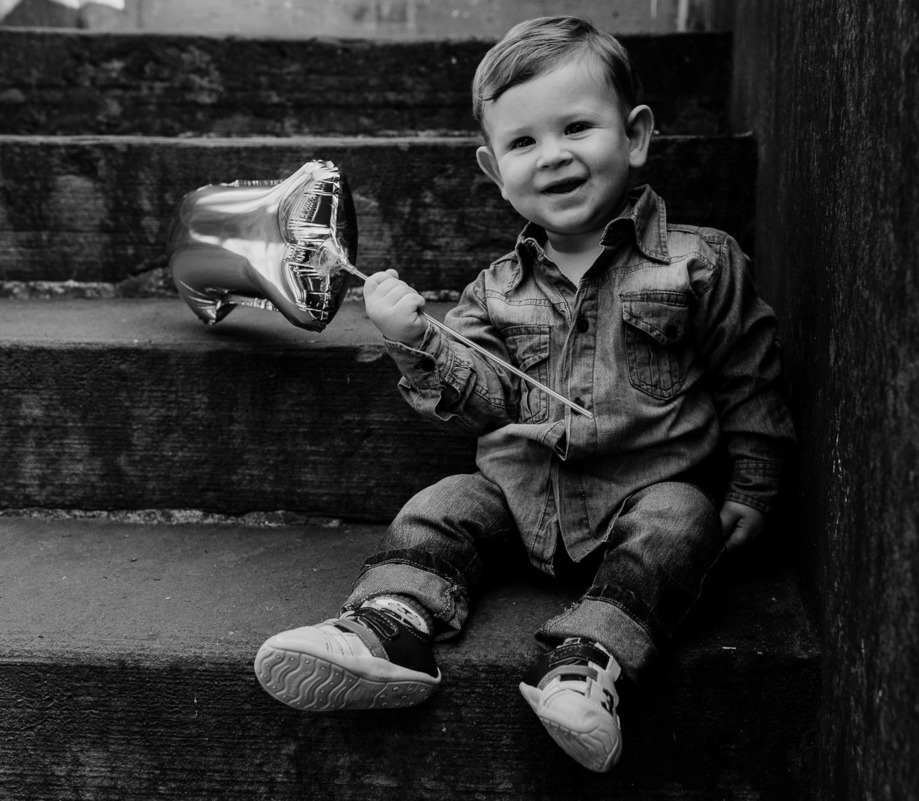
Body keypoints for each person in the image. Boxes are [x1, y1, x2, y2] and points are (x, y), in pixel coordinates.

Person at [254, 15, 795, 773]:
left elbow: (749, 374)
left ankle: (588, 665)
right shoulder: (491, 292)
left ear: (635, 135)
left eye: (578, 126)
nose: (555, 156)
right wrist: (414, 338)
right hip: (521, 496)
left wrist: (757, 485)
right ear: (492, 167)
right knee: (441, 503)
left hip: (644, 493)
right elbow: (481, 396)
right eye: (524, 142)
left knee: (681, 520)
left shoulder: (697, 264)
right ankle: (391, 627)